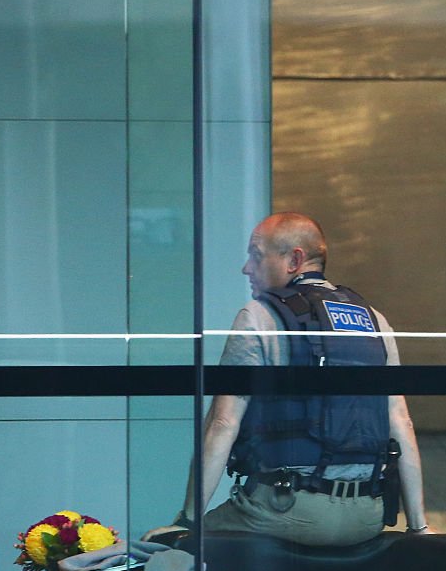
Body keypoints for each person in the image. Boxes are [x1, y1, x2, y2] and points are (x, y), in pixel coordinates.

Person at [144, 212, 431, 546]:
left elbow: (222, 425)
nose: (246, 268)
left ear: (294, 259)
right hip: (367, 515)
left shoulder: (258, 316)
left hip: (287, 510)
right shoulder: (374, 321)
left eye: (256, 255)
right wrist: (418, 527)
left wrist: (187, 522)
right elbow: (401, 423)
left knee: (168, 552)